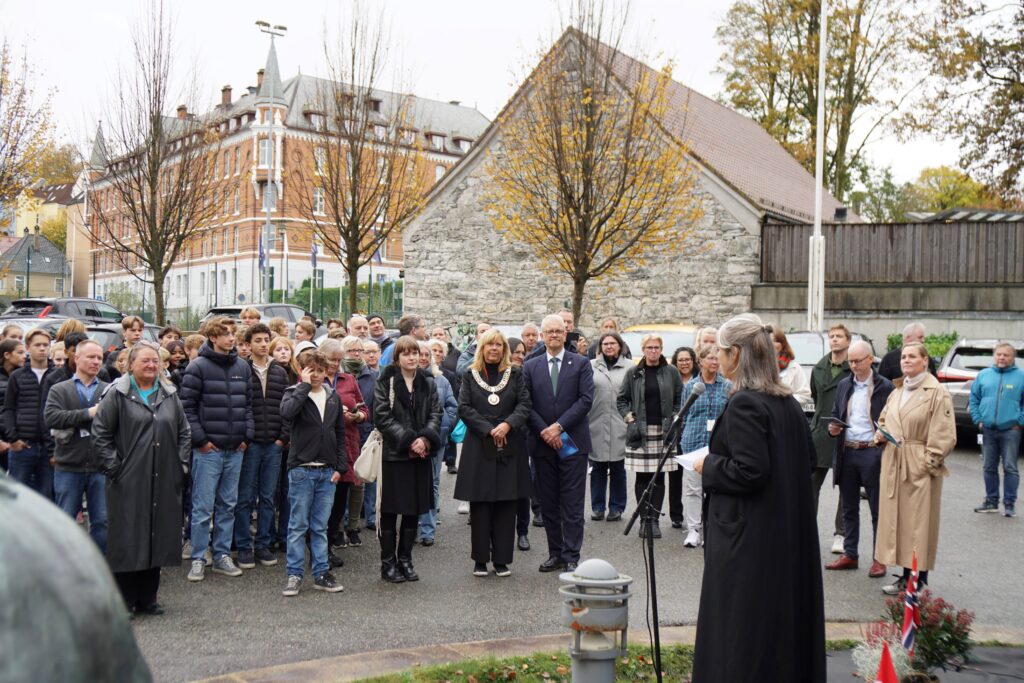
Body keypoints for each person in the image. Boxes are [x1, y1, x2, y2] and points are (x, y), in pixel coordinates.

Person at [691, 314, 825, 682]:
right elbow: (806, 461)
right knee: (777, 630)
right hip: (783, 534)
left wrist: (709, 464)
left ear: (735, 354)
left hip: (748, 540)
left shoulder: (747, 404)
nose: (716, 357)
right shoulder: (788, 405)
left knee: (742, 631)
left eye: (720, 351)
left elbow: (750, 471)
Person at [91, 341, 192, 617]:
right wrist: (115, 469)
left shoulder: (169, 393)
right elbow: (100, 434)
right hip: (128, 479)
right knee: (127, 537)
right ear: (129, 365)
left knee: (157, 534)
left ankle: (148, 598)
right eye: (145, 361)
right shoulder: (118, 394)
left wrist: (181, 465)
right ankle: (124, 600)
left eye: (155, 361)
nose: (151, 365)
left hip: (165, 476)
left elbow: (184, 433)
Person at [875, 342, 957, 595]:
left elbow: (944, 435)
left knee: (920, 525)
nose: (906, 360)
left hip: (917, 463)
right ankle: (905, 575)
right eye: (903, 357)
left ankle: (920, 580)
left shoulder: (936, 392)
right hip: (894, 461)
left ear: (925, 361)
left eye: (912, 356)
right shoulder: (898, 390)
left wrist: (927, 463)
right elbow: (884, 417)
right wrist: (881, 433)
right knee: (899, 522)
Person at [179, 317, 254, 582]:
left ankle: (221, 554)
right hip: (208, 451)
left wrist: (246, 436)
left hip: (235, 449)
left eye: (233, 333)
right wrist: (201, 441)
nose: (232, 338)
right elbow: (186, 408)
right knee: (202, 508)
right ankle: (199, 557)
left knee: (228, 505)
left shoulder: (242, 367)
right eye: (226, 334)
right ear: (213, 337)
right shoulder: (197, 367)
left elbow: (248, 405)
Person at [454, 329, 532, 576]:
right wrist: (489, 430)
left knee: (507, 502)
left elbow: (524, 404)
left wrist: (507, 424)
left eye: (499, 345)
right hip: (479, 444)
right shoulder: (470, 374)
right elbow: (464, 407)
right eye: (490, 345)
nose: (494, 349)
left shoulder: (516, 373)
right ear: (482, 348)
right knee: (481, 503)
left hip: (509, 443)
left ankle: (502, 560)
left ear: (504, 349)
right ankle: (480, 559)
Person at [522, 314, 593, 573]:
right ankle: (556, 553)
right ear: (542, 336)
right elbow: (526, 404)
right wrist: (545, 431)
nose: (554, 335)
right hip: (542, 445)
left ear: (565, 334)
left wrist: (558, 427)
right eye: (549, 331)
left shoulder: (581, 363)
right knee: (548, 503)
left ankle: (572, 554)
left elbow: (585, 400)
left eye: (558, 331)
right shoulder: (531, 366)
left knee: (572, 503)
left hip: (572, 443)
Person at [373, 336, 442, 582]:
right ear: (397, 357)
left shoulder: (429, 382)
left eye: (416, 353)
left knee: (414, 510)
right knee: (391, 511)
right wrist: (409, 439)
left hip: (420, 455)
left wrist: (424, 439)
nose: (413, 357)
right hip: (394, 456)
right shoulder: (386, 380)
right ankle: (388, 563)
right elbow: (381, 416)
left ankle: (406, 560)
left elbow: (436, 413)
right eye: (407, 354)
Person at [823, 340, 894, 578]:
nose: (853, 365)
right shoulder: (845, 385)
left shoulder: (885, 387)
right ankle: (850, 553)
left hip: (872, 451)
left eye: (857, 361)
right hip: (848, 450)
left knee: (878, 509)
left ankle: (879, 558)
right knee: (848, 507)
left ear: (870, 359)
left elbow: (892, 419)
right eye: (850, 361)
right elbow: (836, 413)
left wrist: (882, 438)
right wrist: (833, 428)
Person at [279, 351, 347, 596]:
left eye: (320, 370)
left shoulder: (332, 397)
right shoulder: (293, 393)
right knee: (298, 525)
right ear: (302, 371)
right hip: (301, 470)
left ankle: (321, 572)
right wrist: (304, 386)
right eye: (311, 370)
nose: (316, 375)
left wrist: (340, 467)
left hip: (327, 472)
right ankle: (294, 574)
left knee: (320, 526)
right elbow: (287, 414)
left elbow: (339, 434)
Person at [44, 339, 109, 552]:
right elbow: (51, 417)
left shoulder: (109, 390)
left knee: (102, 522)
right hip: (69, 466)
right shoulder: (60, 389)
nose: (96, 361)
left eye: (99, 357)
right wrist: (88, 413)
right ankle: (66, 568)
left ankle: (99, 567)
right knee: (65, 521)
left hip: (101, 467)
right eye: (91, 357)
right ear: (76, 358)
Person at [233, 323, 290, 570]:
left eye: (266, 339)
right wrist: (245, 437)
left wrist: (282, 438)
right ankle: (244, 546)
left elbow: (287, 409)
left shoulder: (280, 372)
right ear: (249, 344)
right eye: (258, 340)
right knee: (244, 497)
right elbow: (237, 406)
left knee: (268, 497)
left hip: (273, 444)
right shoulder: (240, 369)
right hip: (250, 444)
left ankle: (264, 544)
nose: (263, 344)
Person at [617, 333, 682, 539]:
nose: (653, 351)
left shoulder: (671, 371)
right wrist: (630, 419)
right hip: (640, 431)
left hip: (664, 431)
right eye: (649, 348)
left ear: (661, 350)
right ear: (643, 350)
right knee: (642, 477)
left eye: (656, 348)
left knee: (659, 477)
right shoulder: (633, 372)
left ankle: (654, 521)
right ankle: (644, 520)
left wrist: (674, 416)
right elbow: (622, 400)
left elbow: (680, 396)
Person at [320, 338, 369, 561]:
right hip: (320, 447)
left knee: (340, 498)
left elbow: (364, 409)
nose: (335, 364)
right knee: (322, 502)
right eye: (332, 359)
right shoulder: (312, 378)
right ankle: (318, 548)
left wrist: (357, 415)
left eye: (339, 360)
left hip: (347, 444)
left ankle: (329, 544)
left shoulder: (348, 379)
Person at [678, 344, 731, 548]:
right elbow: (684, 415)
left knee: (716, 488)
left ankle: (714, 529)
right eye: (710, 358)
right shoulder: (690, 386)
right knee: (693, 489)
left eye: (717, 358)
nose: (715, 362)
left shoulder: (726, 386)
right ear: (700, 361)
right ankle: (693, 530)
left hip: (717, 446)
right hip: (693, 442)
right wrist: (682, 440)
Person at [810, 324, 851, 555]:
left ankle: (841, 534)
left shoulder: (852, 367)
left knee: (845, 487)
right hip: (820, 433)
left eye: (839, 336)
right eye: (831, 336)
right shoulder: (819, 367)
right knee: (811, 484)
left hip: (845, 433)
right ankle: (807, 529)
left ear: (848, 341)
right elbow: (816, 398)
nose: (834, 340)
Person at [969, 343, 1023, 516]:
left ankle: (1009, 504)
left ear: (1013, 358)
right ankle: (991, 501)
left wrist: (1019, 422)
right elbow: (974, 398)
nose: (1001, 357)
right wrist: (978, 419)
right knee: (988, 466)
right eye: (999, 354)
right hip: (988, 430)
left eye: (1006, 355)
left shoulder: (1021, 377)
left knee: (1010, 467)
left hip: (1011, 430)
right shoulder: (984, 375)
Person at [3, 329, 59, 497]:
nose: (42, 349)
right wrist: (13, 438)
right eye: (37, 345)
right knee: (16, 496)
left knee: (47, 496)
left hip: (50, 447)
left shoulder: (58, 375)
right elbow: (8, 409)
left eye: (45, 345)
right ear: (28, 347)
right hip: (24, 446)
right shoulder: (17, 376)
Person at [416, 340, 457, 546]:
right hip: (411, 442)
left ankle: (427, 530)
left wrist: (442, 427)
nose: (423, 357)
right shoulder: (403, 379)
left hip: (435, 440)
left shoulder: (441, 381)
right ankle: (412, 527)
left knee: (431, 482)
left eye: (426, 354)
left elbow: (452, 407)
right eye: (419, 353)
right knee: (412, 484)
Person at [588, 332, 630, 522]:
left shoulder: (631, 367)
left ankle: (617, 507)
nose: (609, 346)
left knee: (618, 468)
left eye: (613, 343)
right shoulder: (590, 366)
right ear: (600, 347)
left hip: (620, 422)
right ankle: (597, 507)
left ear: (620, 346)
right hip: (595, 422)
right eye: (605, 343)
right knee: (597, 467)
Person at [342, 334, 378, 532]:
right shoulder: (338, 375)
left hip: (366, 431)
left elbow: (376, 404)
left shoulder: (372, 376)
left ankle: (370, 516)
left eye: (359, 350)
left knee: (367, 476)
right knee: (347, 478)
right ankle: (345, 519)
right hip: (344, 434)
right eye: (351, 350)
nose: (356, 354)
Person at [667, 346, 697, 527]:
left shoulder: (699, 380)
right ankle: (676, 515)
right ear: (675, 362)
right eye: (680, 360)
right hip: (676, 431)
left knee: (696, 475)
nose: (684, 363)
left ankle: (698, 513)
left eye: (687, 360)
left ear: (693, 361)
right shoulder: (671, 379)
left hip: (695, 430)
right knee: (675, 475)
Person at [0, 338, 25, 473]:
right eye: (20, 353)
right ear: (7, 355)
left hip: (15, 438)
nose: (24, 356)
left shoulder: (21, 376)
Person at [772, 327, 812, 404]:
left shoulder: (794, 367)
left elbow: (805, 395)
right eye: (769, 341)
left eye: (776, 341)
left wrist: (783, 399)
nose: (772, 344)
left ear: (783, 344)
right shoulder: (757, 366)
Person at [104, 316, 145, 380]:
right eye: (133, 330)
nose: (137, 333)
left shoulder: (146, 352)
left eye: (140, 330)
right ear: (124, 332)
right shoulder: (116, 355)